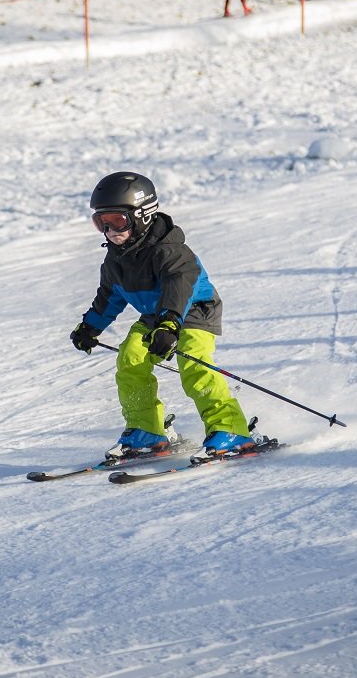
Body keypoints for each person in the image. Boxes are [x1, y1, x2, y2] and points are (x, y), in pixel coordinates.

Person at [69, 172, 255, 464]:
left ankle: (231, 430)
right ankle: (147, 431)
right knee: (131, 358)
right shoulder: (116, 258)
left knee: (194, 364)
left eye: (116, 221)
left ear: (142, 215)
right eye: (100, 222)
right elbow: (109, 296)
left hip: (193, 310)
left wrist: (169, 325)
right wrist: (89, 327)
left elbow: (178, 288)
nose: (109, 230)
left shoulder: (170, 251)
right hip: (156, 316)